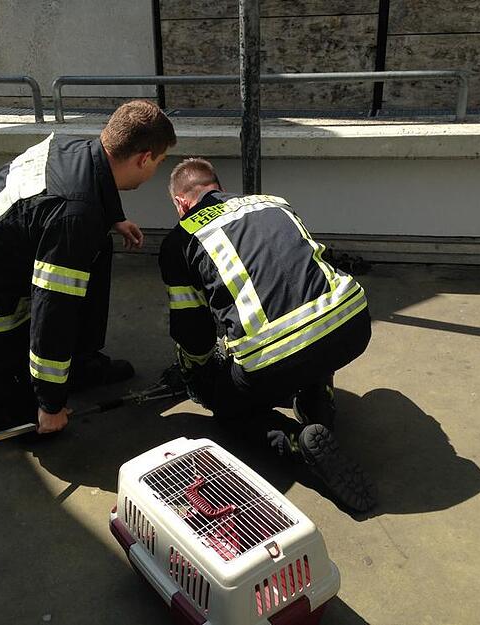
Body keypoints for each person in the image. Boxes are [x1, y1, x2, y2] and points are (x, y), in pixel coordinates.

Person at [0, 100, 176, 434]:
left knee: (96, 242)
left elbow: (83, 193)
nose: (154, 171)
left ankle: (80, 362)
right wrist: (50, 403)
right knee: (30, 421)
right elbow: (53, 313)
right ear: (143, 158)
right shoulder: (74, 216)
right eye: (158, 163)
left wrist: (115, 218)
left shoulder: (71, 146)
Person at [158, 158, 374, 512]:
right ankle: (317, 400)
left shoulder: (180, 241)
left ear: (181, 203)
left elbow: (193, 331)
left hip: (274, 360)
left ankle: (295, 443)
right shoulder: (273, 202)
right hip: (352, 325)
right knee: (307, 325)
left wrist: (197, 371)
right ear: (219, 187)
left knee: (228, 405)